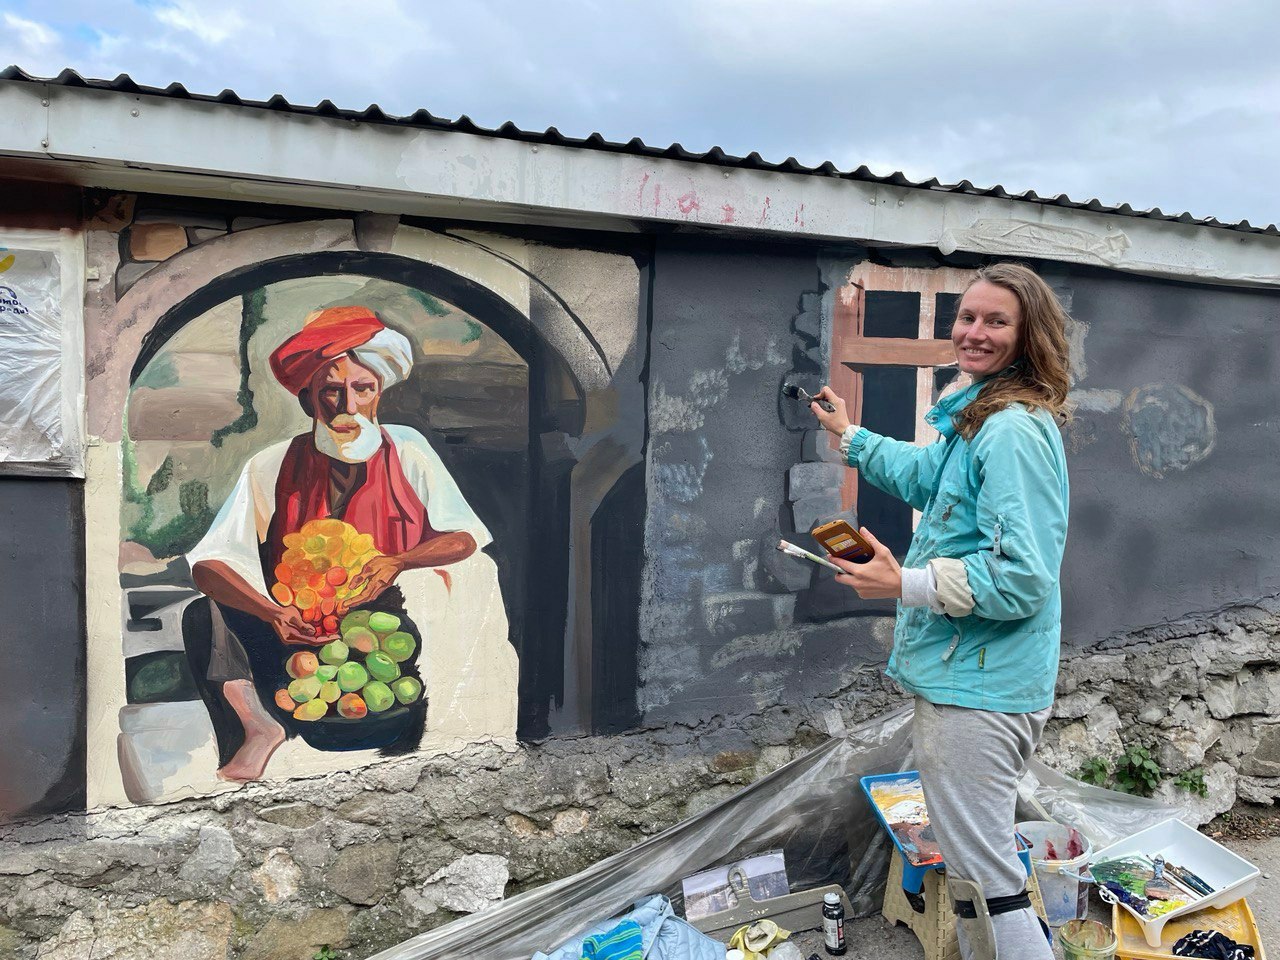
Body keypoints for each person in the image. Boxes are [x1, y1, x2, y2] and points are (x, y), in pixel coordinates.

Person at [810, 263, 1070, 960]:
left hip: (981, 687)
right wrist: (851, 435)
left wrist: (907, 584)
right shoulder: (977, 415)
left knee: (988, 879)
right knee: (973, 865)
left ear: (1028, 335)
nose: (974, 333)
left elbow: (1023, 579)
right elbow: (929, 478)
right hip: (969, 677)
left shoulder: (1011, 429)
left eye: (996, 321)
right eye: (967, 317)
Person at [186, 305, 516, 782]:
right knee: (206, 612)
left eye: (362, 390)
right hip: (295, 629)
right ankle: (257, 727)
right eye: (331, 392)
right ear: (308, 402)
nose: (347, 407)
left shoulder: (408, 449)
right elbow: (208, 563)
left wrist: (399, 560)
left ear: (378, 393)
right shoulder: (270, 464)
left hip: (386, 628)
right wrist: (271, 612)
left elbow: (465, 538)